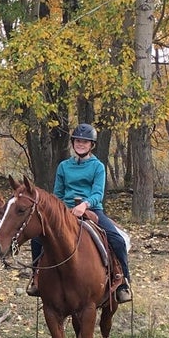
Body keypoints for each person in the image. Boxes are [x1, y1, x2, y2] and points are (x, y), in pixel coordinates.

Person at [27, 123, 132, 303]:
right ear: (73, 143)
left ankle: (122, 281)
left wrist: (84, 205)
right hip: (65, 211)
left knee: (117, 239)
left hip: (92, 209)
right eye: (77, 141)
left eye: (85, 142)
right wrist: (61, 211)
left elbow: (98, 192)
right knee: (37, 238)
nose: (80, 144)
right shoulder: (63, 166)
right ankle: (37, 277)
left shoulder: (98, 166)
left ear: (92, 145)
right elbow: (58, 194)